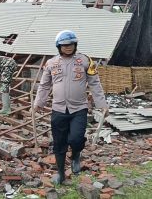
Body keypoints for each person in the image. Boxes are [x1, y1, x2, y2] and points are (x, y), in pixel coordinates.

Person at [34, 30, 109, 184]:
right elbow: (44, 85)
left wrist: (102, 104)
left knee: (76, 139)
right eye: (64, 45)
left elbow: (95, 83)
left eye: (71, 44)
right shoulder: (51, 63)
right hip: (58, 109)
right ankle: (61, 174)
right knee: (59, 143)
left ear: (75, 45)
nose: (68, 47)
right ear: (59, 46)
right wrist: (38, 104)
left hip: (78, 109)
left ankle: (76, 155)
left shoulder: (86, 61)